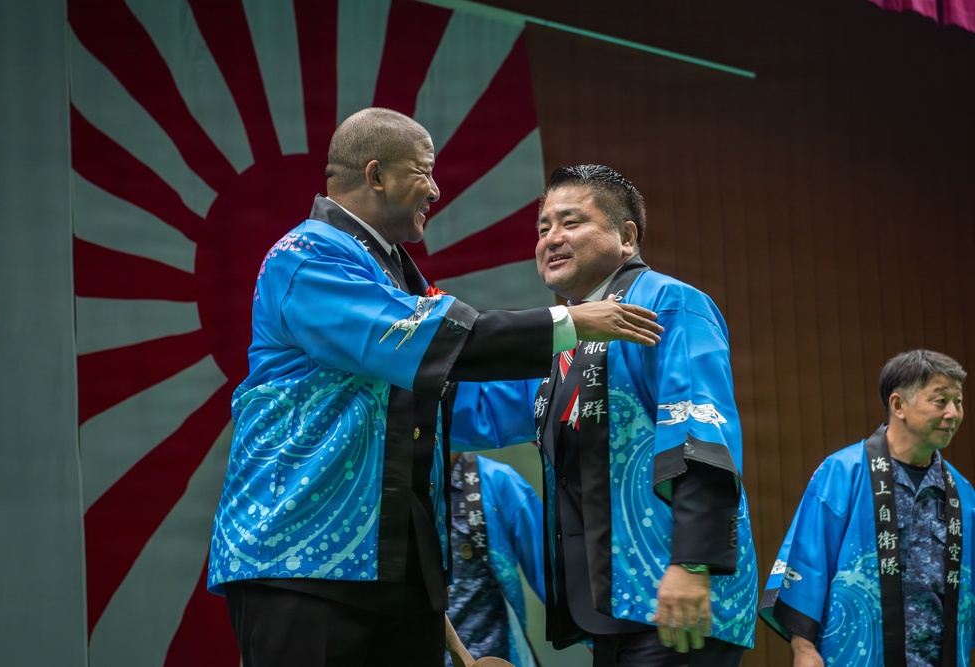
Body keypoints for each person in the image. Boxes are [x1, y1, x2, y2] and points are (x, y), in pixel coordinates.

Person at [206, 110, 664, 667]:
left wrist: (589, 372)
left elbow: (470, 405)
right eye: (424, 172)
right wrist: (572, 324)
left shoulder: (398, 280)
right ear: (376, 176)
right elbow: (421, 341)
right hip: (302, 558)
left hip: (398, 568)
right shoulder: (304, 257)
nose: (437, 188)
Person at [451, 164, 758, 667]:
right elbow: (481, 412)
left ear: (627, 236)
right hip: (614, 604)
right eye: (543, 227)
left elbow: (700, 429)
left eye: (571, 222)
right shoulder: (562, 342)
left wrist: (693, 563)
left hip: (675, 595)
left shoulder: (667, 303)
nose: (552, 238)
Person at [760, 349, 975, 667]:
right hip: (857, 655)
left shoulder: (963, 492)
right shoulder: (843, 471)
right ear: (898, 405)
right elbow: (809, 559)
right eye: (940, 401)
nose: (953, 413)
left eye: (958, 402)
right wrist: (803, 649)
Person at [445, 451, 545, 667]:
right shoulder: (397, 485)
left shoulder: (498, 480)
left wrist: (591, 633)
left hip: (494, 655)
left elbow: (550, 571)